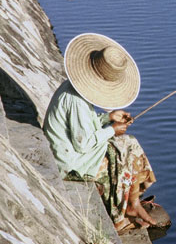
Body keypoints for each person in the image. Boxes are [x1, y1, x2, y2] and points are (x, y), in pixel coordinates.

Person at [43, 33, 156, 232]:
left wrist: (108, 118)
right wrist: (112, 130)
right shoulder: (77, 100)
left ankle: (133, 203)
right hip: (68, 162)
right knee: (116, 158)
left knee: (130, 143)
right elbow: (83, 143)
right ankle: (118, 218)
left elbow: (83, 126)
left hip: (72, 150)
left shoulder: (74, 89)